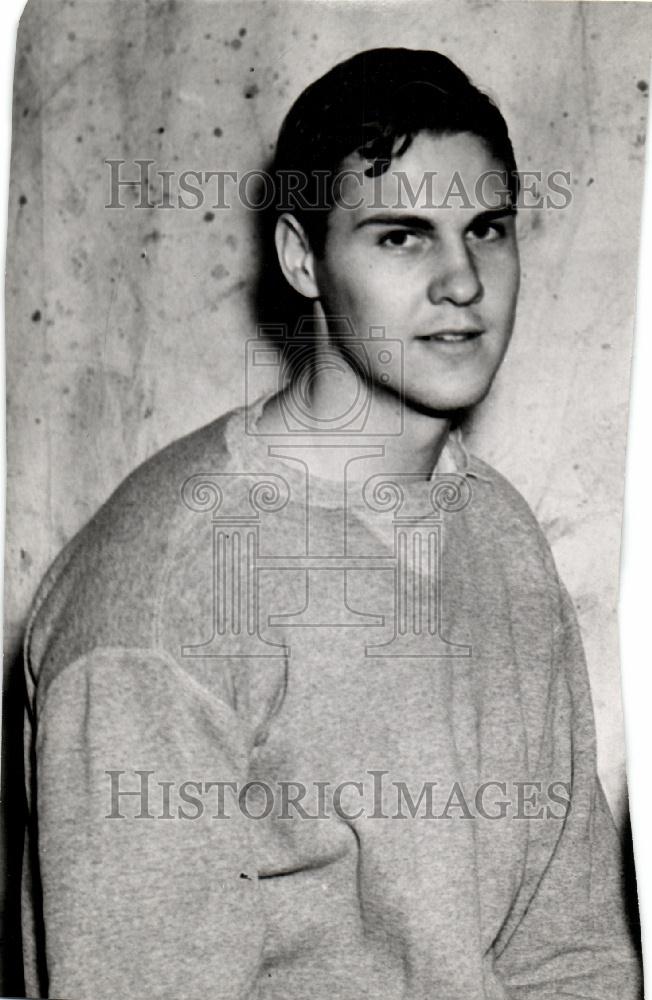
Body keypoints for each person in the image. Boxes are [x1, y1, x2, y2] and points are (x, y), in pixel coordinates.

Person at [21, 47, 641, 999]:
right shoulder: (160, 600)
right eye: (401, 237)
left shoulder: (499, 532)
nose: (463, 282)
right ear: (302, 259)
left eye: (487, 229)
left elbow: (572, 953)